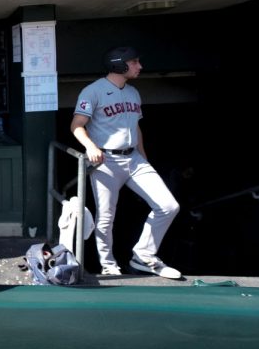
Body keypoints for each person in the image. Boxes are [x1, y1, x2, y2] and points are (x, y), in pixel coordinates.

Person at [70, 46, 182, 279]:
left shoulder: (133, 92)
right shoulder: (93, 91)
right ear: (119, 64)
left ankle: (144, 255)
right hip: (106, 161)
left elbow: (136, 128)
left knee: (169, 206)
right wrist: (91, 147)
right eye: (134, 62)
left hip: (134, 159)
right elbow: (76, 125)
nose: (139, 67)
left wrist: (144, 159)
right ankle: (109, 265)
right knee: (106, 217)